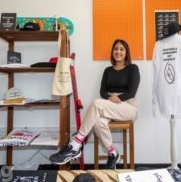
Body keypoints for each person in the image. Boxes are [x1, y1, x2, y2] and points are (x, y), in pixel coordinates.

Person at [49, 39, 140, 169]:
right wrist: (110, 98)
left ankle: (76, 144)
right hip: (110, 105)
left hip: (128, 106)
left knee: (96, 103)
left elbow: (132, 91)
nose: (118, 51)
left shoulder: (133, 68)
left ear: (126, 52)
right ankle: (113, 153)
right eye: (116, 49)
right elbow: (102, 91)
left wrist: (117, 98)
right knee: (97, 123)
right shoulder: (108, 70)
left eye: (121, 49)